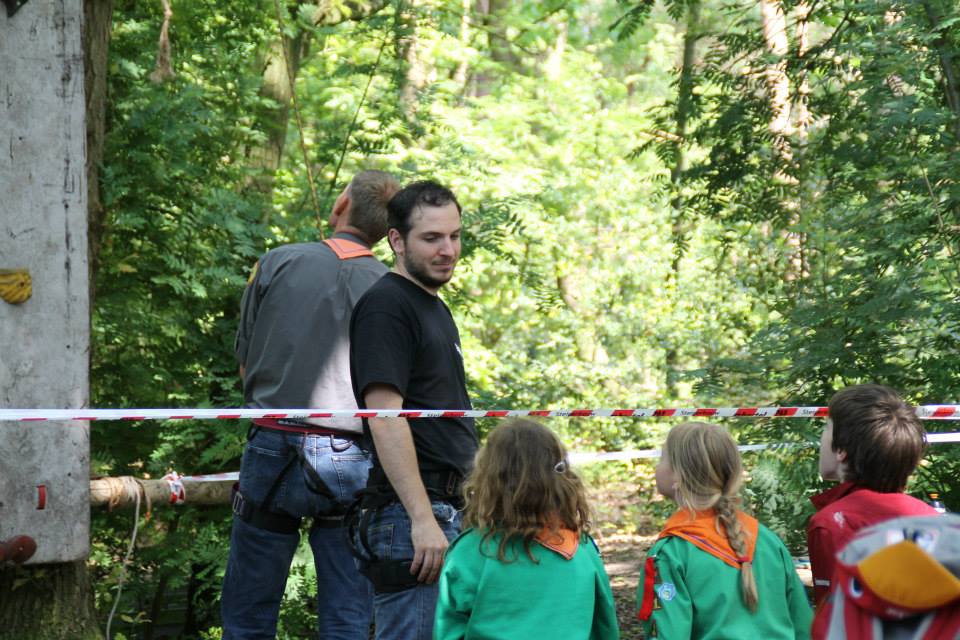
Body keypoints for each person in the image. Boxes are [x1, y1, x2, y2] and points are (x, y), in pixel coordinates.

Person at [221, 169, 400, 640]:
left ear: (341, 205)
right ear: (391, 231)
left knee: (248, 614)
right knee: (346, 616)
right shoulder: (392, 287)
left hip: (273, 442)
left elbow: (245, 363)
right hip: (351, 454)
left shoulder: (277, 262)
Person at [348, 180, 479, 640]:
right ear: (397, 241)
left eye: (454, 236)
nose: (448, 250)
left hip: (448, 510)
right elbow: (385, 418)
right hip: (413, 518)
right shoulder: (387, 306)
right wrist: (422, 519)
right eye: (432, 238)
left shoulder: (432, 307)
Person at [433, 418, 620, 640]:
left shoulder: (470, 550)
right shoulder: (582, 548)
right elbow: (605, 628)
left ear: (488, 478)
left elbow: (448, 630)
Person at [637, 422, 812, 639]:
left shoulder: (672, 553)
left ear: (678, 477)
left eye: (662, 458)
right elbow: (804, 625)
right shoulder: (767, 540)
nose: (657, 466)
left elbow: (667, 633)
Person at [808, 384, 938, 607]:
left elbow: (839, 617)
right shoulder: (932, 517)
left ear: (841, 450)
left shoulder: (831, 524)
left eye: (826, 428)